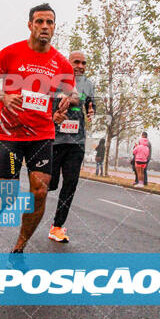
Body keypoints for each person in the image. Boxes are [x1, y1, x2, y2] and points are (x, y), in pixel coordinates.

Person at [0, 3, 78, 253]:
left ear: (54, 27)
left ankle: (20, 244)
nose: (45, 26)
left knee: (39, 191)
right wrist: (2, 96)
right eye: (40, 22)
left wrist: (70, 99)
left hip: (42, 136)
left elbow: (73, 92)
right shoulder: (10, 53)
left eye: (50, 22)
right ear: (30, 25)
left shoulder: (61, 64)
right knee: (9, 192)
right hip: (10, 134)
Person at [48, 50, 95, 243]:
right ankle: (30, 218)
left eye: (84, 63)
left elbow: (90, 103)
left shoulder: (88, 84)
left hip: (76, 142)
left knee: (70, 183)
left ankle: (57, 227)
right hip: (53, 140)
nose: (81, 66)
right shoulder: (54, 80)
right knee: (48, 185)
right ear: (67, 63)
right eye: (76, 62)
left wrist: (92, 109)